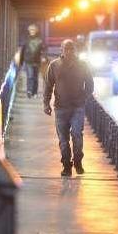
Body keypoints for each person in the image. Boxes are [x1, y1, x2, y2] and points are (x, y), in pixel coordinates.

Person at [44, 39, 94, 176]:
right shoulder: (54, 65)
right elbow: (48, 85)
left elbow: (90, 85)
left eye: (72, 49)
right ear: (62, 50)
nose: (69, 51)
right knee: (63, 140)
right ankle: (66, 165)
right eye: (66, 49)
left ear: (75, 50)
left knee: (77, 134)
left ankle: (78, 161)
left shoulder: (83, 65)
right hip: (60, 108)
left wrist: (83, 98)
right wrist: (46, 103)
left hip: (77, 107)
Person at [20, 24, 45, 98]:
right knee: (30, 76)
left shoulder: (40, 41)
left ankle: (35, 92)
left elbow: (43, 50)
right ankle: (29, 91)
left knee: (35, 77)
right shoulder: (26, 40)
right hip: (28, 61)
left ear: (36, 31)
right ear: (29, 31)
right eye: (31, 30)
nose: (32, 31)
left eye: (33, 30)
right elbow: (23, 51)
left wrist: (44, 57)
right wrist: (21, 61)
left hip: (36, 62)